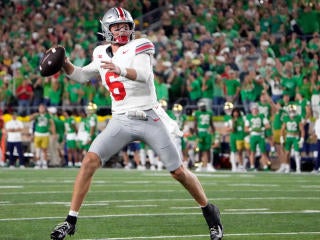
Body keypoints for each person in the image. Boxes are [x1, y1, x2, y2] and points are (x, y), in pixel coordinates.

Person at [50, 7, 223, 240]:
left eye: (126, 26)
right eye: (117, 27)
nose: (123, 30)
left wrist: (119, 69)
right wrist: (64, 63)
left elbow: (143, 74)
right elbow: (81, 75)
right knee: (89, 160)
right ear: (107, 30)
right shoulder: (100, 52)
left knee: (178, 172)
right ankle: (70, 220)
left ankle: (209, 211)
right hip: (120, 120)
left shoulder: (141, 45)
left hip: (149, 117)